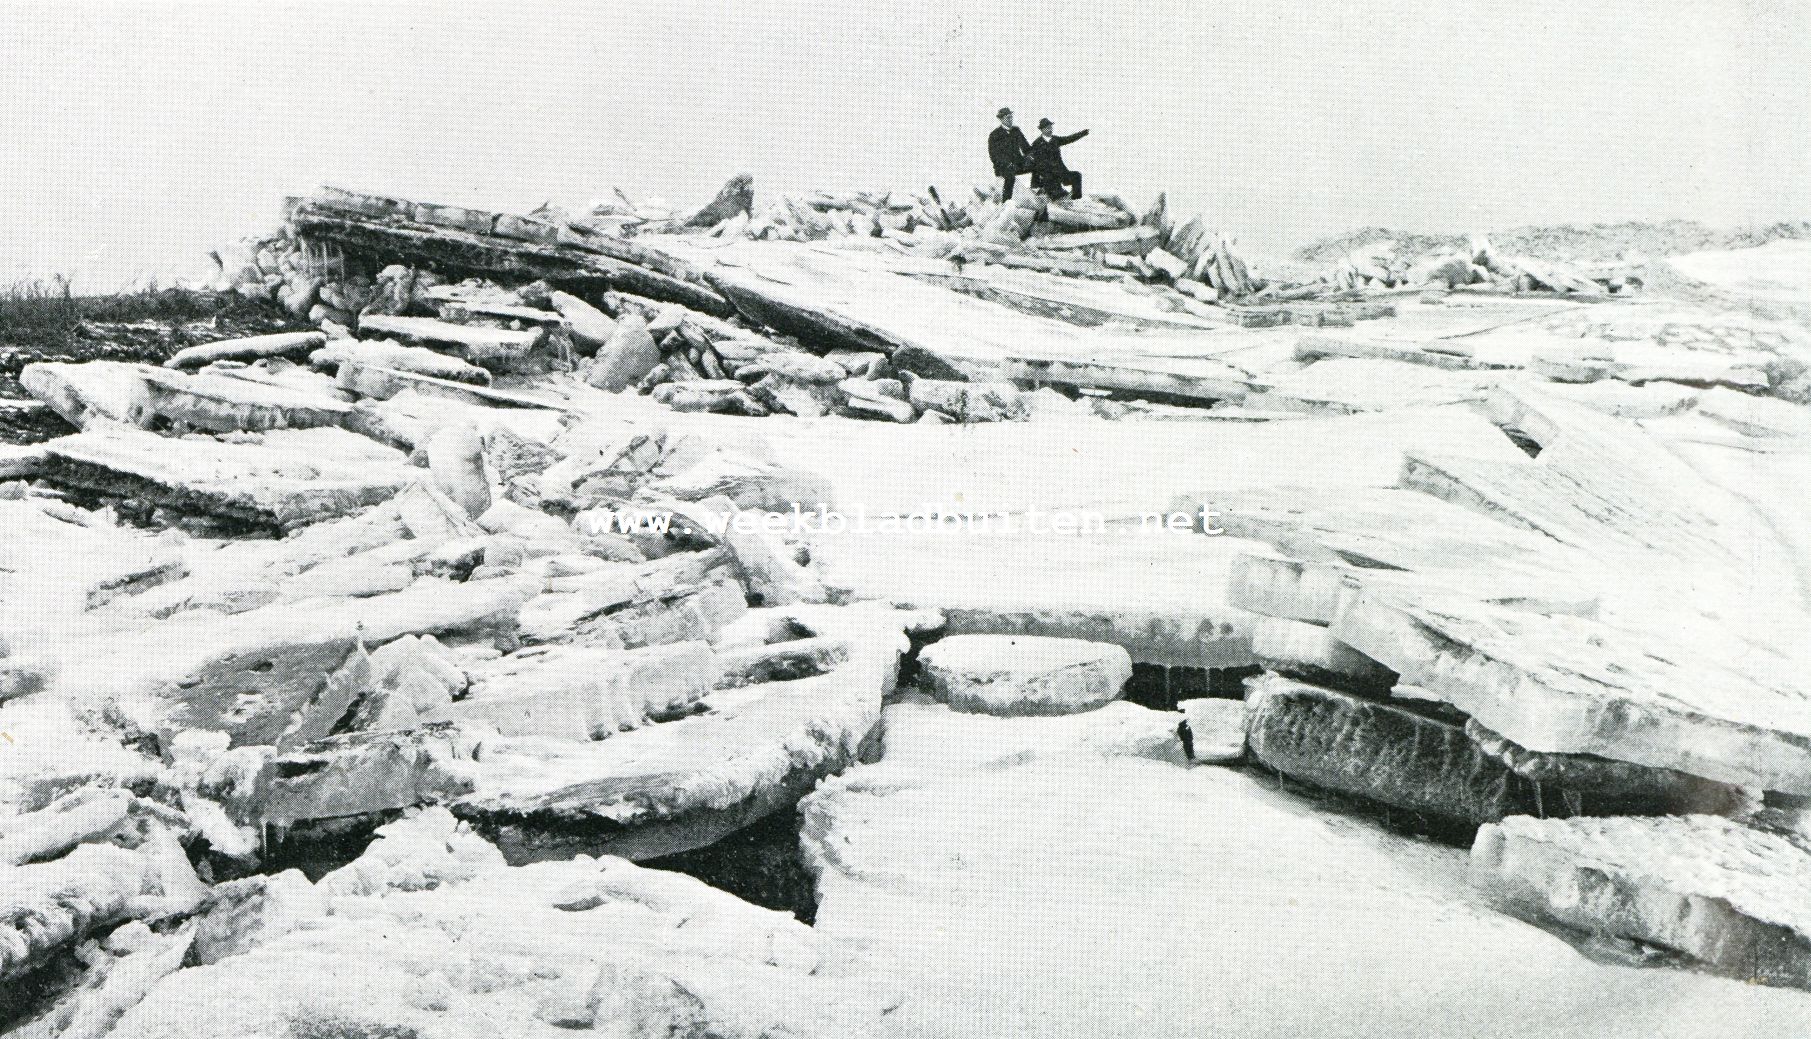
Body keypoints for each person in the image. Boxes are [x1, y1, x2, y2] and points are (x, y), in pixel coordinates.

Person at [1028, 117, 1089, 200]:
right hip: (1048, 176)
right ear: (1041, 130)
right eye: (1047, 128)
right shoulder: (1037, 143)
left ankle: (1075, 199)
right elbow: (1034, 162)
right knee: (1057, 195)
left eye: (1050, 127)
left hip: (1061, 172)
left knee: (1076, 176)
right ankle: (1054, 197)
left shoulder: (1056, 140)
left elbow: (1069, 138)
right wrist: (1037, 180)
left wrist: (1082, 133)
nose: (1050, 129)